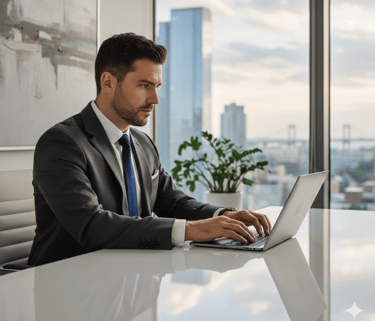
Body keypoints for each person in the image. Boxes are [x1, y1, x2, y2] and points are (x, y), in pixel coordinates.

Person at [28, 33, 271, 266]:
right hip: (68, 286)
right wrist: (191, 230)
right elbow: (92, 226)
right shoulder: (62, 143)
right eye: (144, 85)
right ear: (108, 82)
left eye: (157, 86)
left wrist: (222, 215)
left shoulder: (142, 143)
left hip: (131, 278)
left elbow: (172, 202)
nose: (155, 98)